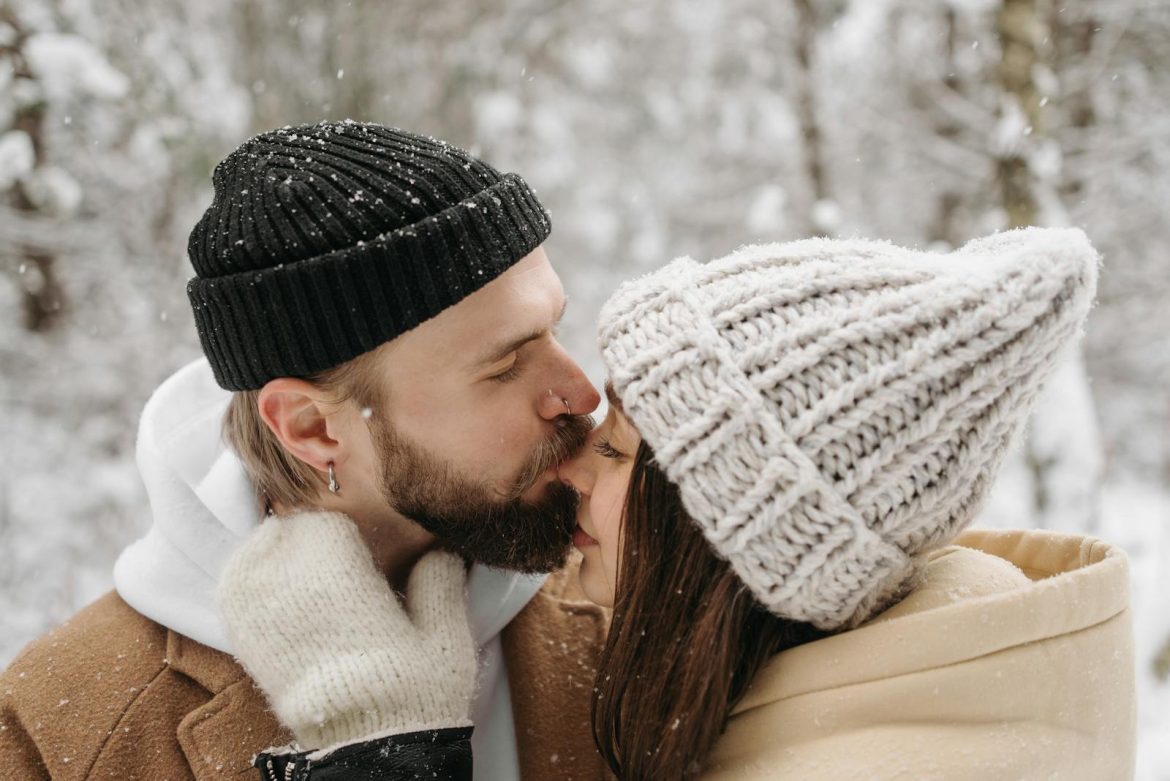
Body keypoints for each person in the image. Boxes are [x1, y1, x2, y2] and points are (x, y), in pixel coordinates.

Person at [224, 228, 1136, 779]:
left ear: (731, 528)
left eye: (618, 450)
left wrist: (387, 754)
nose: (577, 453)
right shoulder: (933, 690)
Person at [0, 121, 613, 780]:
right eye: (505, 364)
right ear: (311, 427)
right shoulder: (60, 733)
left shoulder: (631, 607)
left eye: (552, 328)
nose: (582, 392)